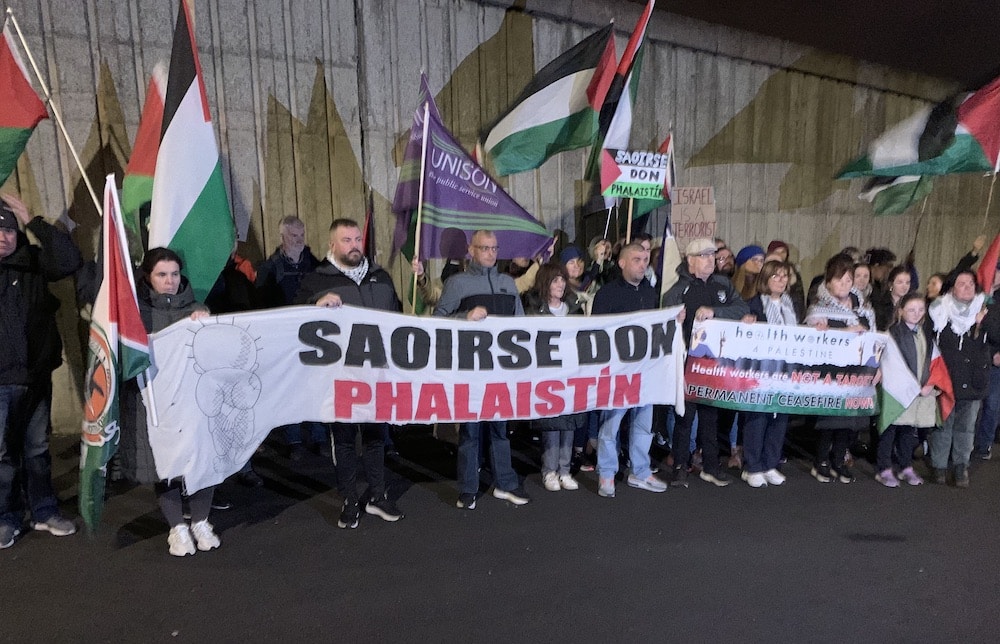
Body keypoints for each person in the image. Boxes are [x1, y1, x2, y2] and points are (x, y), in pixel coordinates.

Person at [295, 218, 405, 527]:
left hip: (377, 375)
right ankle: (349, 499)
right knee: (343, 440)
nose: (355, 245)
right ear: (332, 245)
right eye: (346, 240)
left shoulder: (381, 278)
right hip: (338, 377)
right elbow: (294, 321)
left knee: (375, 437)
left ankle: (378, 496)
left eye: (357, 239)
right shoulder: (314, 281)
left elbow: (397, 320)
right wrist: (314, 306)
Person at [119, 248, 218, 556]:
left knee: (201, 462)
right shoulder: (136, 314)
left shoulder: (197, 308)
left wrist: (206, 327)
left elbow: (215, 357)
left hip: (193, 402)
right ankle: (177, 527)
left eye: (174, 274)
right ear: (148, 277)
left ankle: (201, 521)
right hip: (156, 405)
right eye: (162, 275)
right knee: (164, 464)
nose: (170, 281)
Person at [0, 195, 82, 549]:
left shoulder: (33, 263)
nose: (2, 237)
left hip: (35, 377)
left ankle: (45, 510)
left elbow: (68, 260)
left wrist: (30, 218)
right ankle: (7, 516)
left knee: (36, 449)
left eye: (8, 230)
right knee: (2, 455)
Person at [434, 230, 530, 509]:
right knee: (470, 431)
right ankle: (467, 488)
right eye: (484, 248)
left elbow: (521, 325)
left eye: (494, 248)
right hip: (470, 371)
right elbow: (438, 321)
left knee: (501, 429)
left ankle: (505, 483)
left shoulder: (507, 283)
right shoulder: (457, 283)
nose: (490, 253)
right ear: (470, 250)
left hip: (500, 370)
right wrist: (465, 317)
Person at [662, 238, 751, 488]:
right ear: (690, 261)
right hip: (688, 363)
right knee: (684, 418)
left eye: (713, 254)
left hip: (715, 363)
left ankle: (711, 466)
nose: (710, 259)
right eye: (704, 255)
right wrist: (673, 319)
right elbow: (663, 322)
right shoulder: (678, 289)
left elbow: (742, 309)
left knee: (711, 416)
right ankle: (681, 466)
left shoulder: (723, 284)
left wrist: (716, 311)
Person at [591, 242, 668, 498]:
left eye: (645, 259)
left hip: (646, 371)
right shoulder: (607, 294)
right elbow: (597, 334)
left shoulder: (652, 293)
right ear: (622, 262)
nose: (643, 264)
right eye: (636, 259)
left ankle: (640, 471)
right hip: (617, 372)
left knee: (644, 424)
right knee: (611, 425)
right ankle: (606, 473)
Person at [255, 216, 327, 459]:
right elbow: (260, 304)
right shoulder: (270, 268)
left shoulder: (314, 264)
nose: (299, 240)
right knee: (288, 389)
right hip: (284, 339)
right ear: (282, 237)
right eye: (293, 236)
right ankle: (293, 438)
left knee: (315, 386)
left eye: (301, 235)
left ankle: (319, 436)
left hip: (312, 336)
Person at [804, 254, 876, 484]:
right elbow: (814, 339)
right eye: (839, 280)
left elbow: (872, 338)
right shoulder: (820, 308)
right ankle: (821, 461)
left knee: (849, 420)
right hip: (831, 372)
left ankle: (839, 460)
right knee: (830, 419)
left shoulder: (862, 307)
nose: (844, 285)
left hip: (857, 372)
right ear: (829, 282)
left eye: (848, 280)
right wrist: (847, 331)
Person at [927, 270, 1000, 487]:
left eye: (971, 283)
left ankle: (961, 467)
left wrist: (984, 321)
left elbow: (997, 335)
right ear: (952, 288)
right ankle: (939, 466)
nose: (967, 287)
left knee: (966, 427)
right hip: (947, 378)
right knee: (943, 425)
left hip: (975, 378)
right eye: (962, 283)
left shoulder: (987, 310)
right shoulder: (939, 310)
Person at [523, 263, 583, 491]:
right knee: (551, 422)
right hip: (546, 373)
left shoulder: (574, 307)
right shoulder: (534, 309)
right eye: (555, 280)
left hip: (571, 371)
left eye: (562, 280)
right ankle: (549, 471)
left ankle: (565, 470)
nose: (560, 285)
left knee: (569, 422)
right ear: (544, 283)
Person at [743, 260, 799, 487]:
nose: (781, 280)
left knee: (780, 416)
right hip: (761, 370)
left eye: (784, 276)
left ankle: (769, 463)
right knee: (758, 417)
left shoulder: (790, 304)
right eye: (776, 276)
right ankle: (752, 466)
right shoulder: (754, 304)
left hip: (786, 369)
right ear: (765, 279)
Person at [878, 293, 935, 487]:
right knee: (890, 428)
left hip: (918, 389)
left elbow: (931, 359)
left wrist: (929, 382)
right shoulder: (893, 333)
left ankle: (905, 466)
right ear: (901, 311)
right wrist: (908, 384)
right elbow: (889, 362)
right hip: (897, 390)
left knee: (908, 429)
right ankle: (884, 468)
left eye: (920, 309)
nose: (916, 313)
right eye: (911, 309)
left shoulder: (925, 332)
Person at [871, 265, 911, 331]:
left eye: (907, 283)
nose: (904, 286)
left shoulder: (911, 304)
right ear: (891, 284)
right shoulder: (880, 303)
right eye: (900, 282)